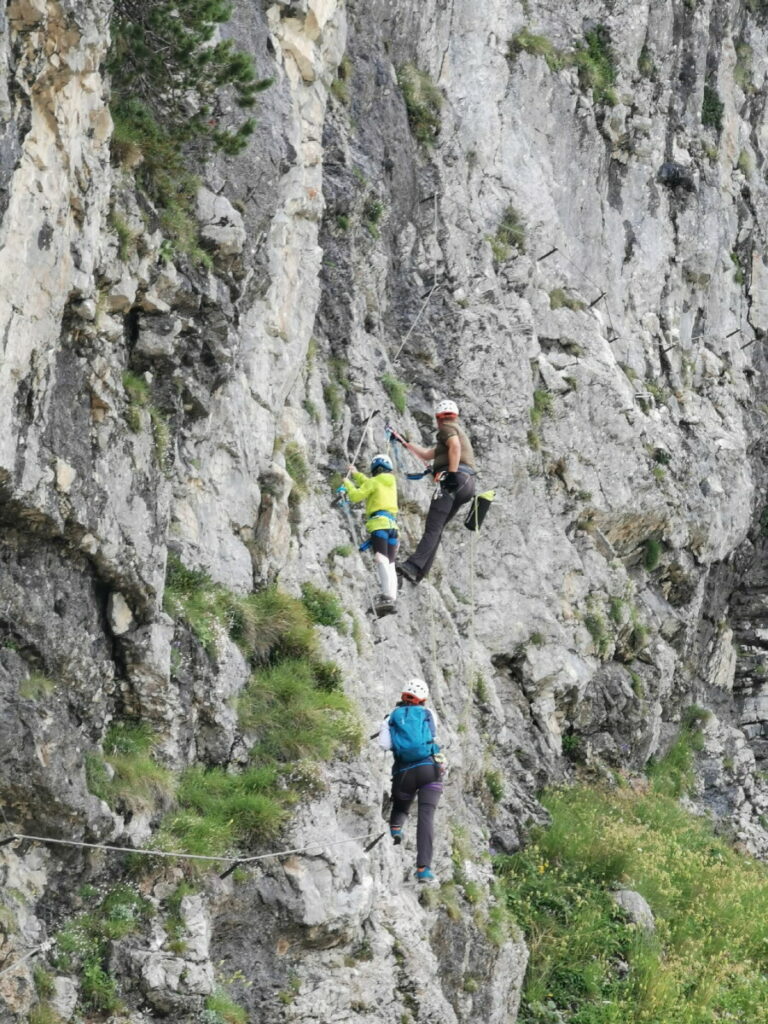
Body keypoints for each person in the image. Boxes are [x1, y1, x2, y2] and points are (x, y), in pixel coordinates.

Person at [396, 400, 476, 583]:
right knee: (437, 528)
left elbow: (455, 447)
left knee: (433, 527)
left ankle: (412, 566)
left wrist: (452, 475)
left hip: (455, 481)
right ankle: (419, 573)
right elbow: (425, 454)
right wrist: (405, 443)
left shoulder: (447, 428)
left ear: (439, 418)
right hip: (467, 485)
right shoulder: (453, 434)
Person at [377, 678, 444, 882]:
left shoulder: (391, 717)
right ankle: (424, 869)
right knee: (426, 818)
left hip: (404, 772)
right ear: (423, 698)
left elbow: (384, 745)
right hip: (430, 770)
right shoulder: (427, 713)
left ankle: (396, 827)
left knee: (401, 804)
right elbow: (433, 734)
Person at [342, 454, 399, 615]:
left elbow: (355, 496)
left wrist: (347, 483)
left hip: (379, 524)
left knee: (381, 558)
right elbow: (369, 484)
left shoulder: (374, 482)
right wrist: (355, 474)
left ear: (374, 470)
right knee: (391, 563)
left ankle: (387, 596)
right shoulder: (390, 483)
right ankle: (392, 598)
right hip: (393, 526)